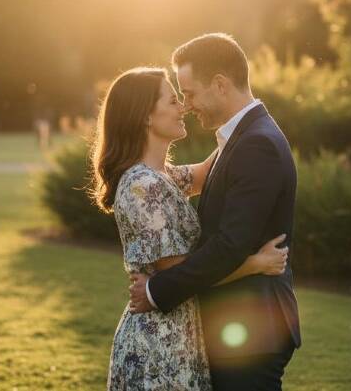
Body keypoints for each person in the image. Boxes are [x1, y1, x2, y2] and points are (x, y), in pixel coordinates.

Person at [90, 66, 289, 390]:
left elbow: (210, 168)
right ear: (145, 116)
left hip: (180, 333)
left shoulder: (161, 176)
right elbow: (182, 273)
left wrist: (245, 118)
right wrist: (254, 265)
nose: (183, 107)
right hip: (159, 343)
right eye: (172, 101)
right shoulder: (143, 186)